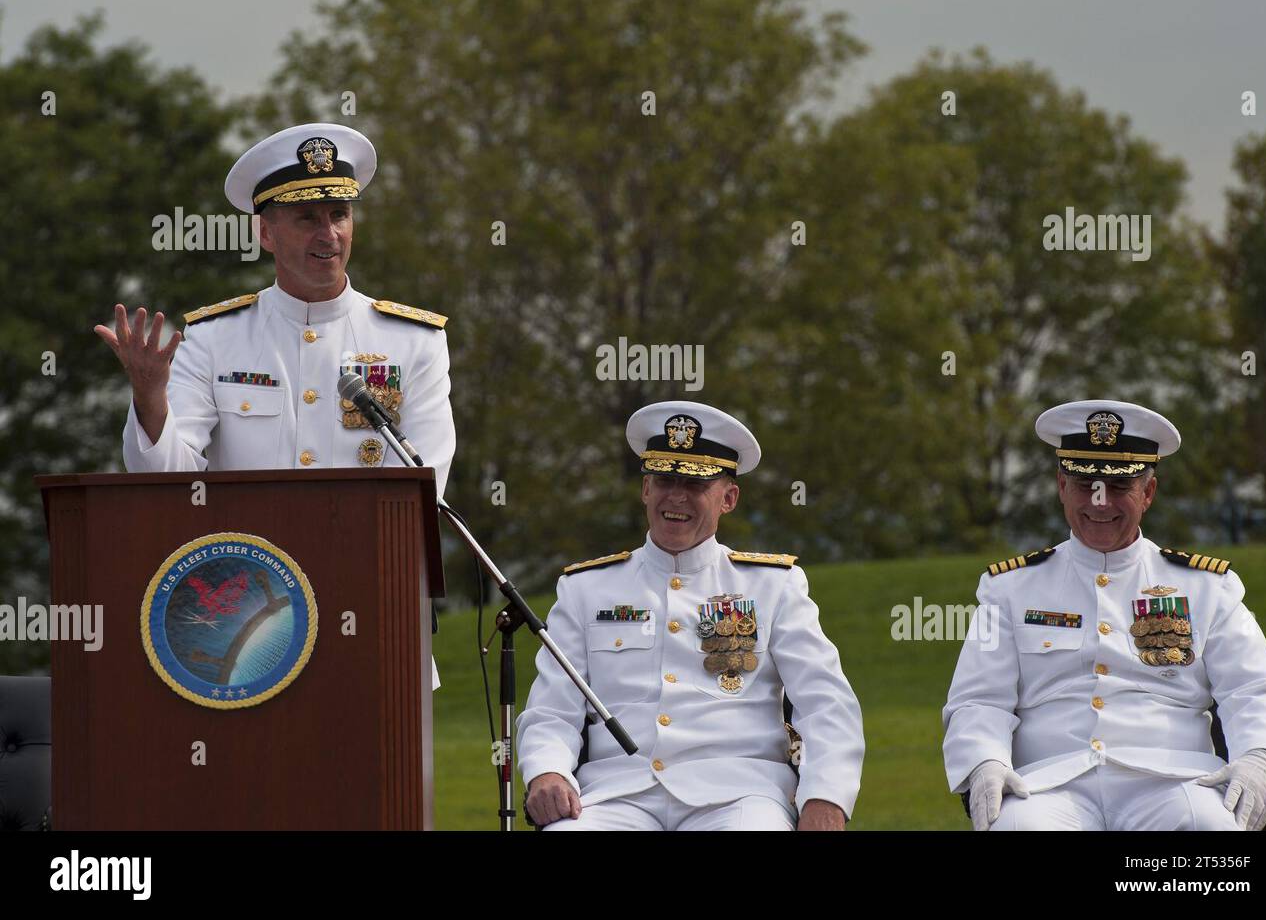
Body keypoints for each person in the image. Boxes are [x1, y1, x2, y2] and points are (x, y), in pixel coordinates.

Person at [943, 399, 1266, 831]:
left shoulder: (1207, 586)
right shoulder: (1009, 588)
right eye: (1084, 485)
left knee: (1210, 826)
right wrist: (984, 763)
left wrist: (1261, 757)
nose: (1100, 502)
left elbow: (1253, 689)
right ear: (1061, 486)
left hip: (1173, 781)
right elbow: (979, 701)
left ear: (1148, 493)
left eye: (1118, 487)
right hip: (1050, 786)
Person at [517, 401, 864, 831]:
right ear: (645, 489)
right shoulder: (585, 588)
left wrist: (826, 795)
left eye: (695, 484)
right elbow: (552, 709)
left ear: (729, 498)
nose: (675, 497)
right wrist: (547, 770)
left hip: (739, 794)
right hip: (615, 794)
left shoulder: (774, 585)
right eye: (664, 480)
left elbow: (825, 702)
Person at [94, 123, 455, 498]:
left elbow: (421, 492)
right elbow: (168, 483)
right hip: (246, 556)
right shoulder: (212, 338)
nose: (328, 234)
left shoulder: (415, 341)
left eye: (339, 214)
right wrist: (150, 398)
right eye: (307, 218)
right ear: (266, 233)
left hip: (367, 555)